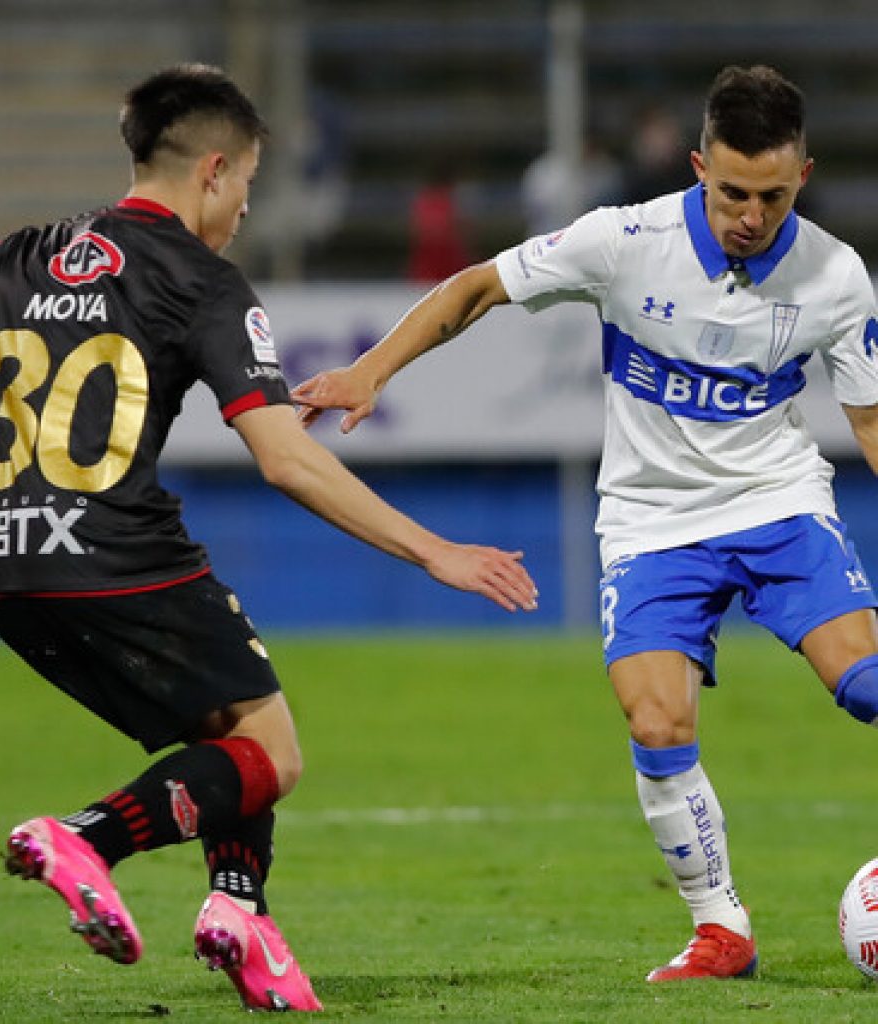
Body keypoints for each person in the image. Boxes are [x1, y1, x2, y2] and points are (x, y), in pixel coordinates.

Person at [0, 64, 537, 1012]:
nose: (246, 210)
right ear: (214, 170)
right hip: (113, 551)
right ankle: (88, 839)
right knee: (274, 754)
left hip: (2, 564)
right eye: (248, 186)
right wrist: (435, 551)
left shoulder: (21, 251)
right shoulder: (202, 281)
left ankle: (239, 913)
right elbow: (287, 460)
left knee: (226, 720)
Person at [294, 64, 878, 982]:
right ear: (697, 168)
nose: (750, 215)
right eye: (730, 192)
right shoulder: (624, 240)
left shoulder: (837, 277)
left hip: (777, 503)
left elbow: (872, 426)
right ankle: (720, 929)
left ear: (801, 177)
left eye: (770, 195)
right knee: (654, 721)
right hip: (649, 521)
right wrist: (372, 370)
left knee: (868, 683)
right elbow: (473, 289)